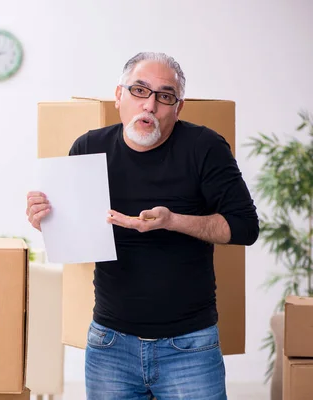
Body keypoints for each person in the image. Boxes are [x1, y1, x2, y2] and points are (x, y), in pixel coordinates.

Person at [25, 52, 259, 400]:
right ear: (119, 96)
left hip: (190, 346)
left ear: (177, 108)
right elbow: (78, 234)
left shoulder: (205, 147)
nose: (149, 105)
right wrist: (45, 220)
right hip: (110, 345)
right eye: (139, 90)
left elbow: (245, 227)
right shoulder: (89, 148)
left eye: (164, 96)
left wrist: (173, 221)